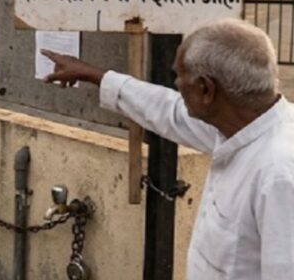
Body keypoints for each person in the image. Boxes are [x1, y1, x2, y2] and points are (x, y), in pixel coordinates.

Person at [43, 18, 294, 279]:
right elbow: (167, 110)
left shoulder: (279, 174)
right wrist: (94, 75)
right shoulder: (238, 125)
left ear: (206, 89)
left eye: (179, 76)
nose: (176, 85)